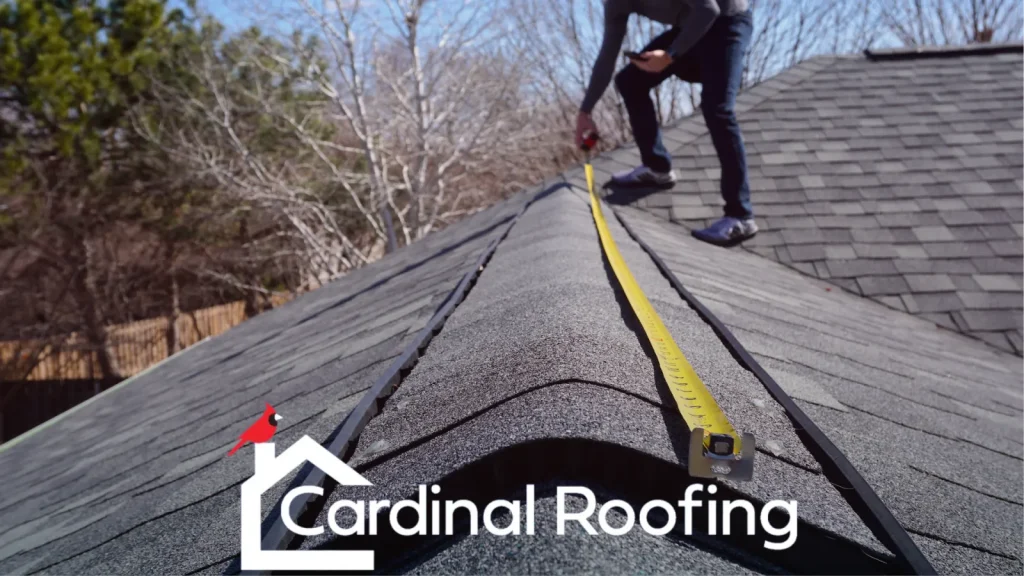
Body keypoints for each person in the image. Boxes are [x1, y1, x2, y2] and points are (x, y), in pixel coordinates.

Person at [575, 0, 757, 246]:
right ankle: (657, 168)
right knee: (630, 81)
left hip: (728, 23)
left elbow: (709, 10)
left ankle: (740, 216)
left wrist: (671, 54)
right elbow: (608, 53)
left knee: (718, 109)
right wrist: (585, 111)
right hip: (690, 27)